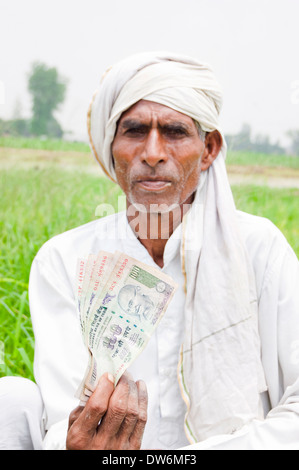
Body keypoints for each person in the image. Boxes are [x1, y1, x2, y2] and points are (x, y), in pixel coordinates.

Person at [1, 51, 299, 450]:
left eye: (175, 132)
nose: (153, 152)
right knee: (11, 400)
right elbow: (62, 421)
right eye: (135, 131)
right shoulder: (65, 260)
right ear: (112, 149)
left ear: (208, 149)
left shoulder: (260, 250)